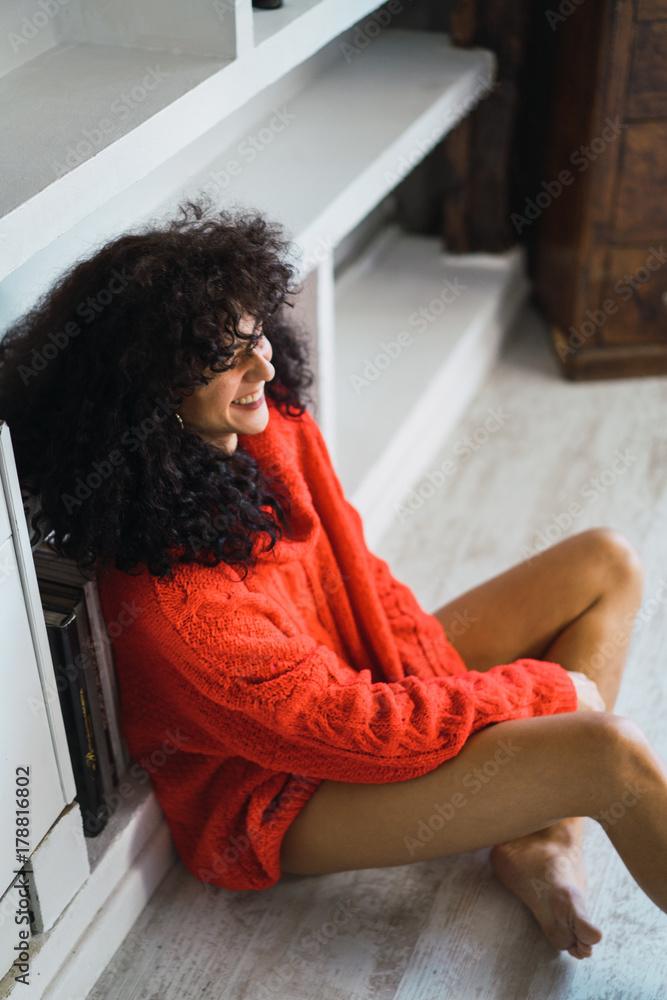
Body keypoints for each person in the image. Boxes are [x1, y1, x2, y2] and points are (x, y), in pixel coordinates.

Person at [1, 201, 665, 965]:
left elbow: (358, 572)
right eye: (228, 356)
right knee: (608, 753)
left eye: (256, 336)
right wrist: (533, 698)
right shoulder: (175, 613)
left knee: (607, 560)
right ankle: (541, 811)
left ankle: (541, 841)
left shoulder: (268, 423)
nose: (264, 367)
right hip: (275, 795)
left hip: (349, 678)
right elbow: (350, 732)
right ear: (146, 393)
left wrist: (443, 687)